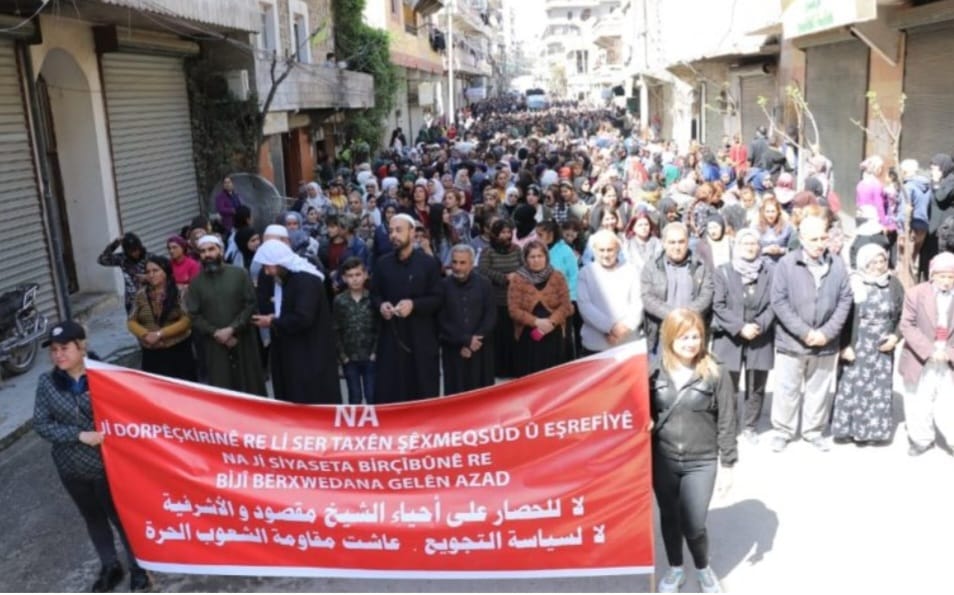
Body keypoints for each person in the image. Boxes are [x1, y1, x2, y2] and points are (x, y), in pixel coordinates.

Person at [33, 321, 153, 592]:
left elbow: (130, 413)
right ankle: (110, 566)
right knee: (93, 518)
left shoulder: (106, 376)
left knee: (120, 517)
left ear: (81, 347)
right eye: (53, 350)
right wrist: (78, 435)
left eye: (64, 348)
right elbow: (41, 423)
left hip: (108, 467)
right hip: (71, 468)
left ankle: (138, 567)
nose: (58, 355)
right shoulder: (47, 383)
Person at [650, 308, 736, 594]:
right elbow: (639, 411)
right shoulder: (652, 371)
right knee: (669, 517)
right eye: (684, 337)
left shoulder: (716, 371)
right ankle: (675, 568)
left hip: (702, 461)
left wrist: (729, 465)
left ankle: (702, 568)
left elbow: (727, 420)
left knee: (694, 523)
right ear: (670, 338)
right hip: (663, 460)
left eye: (696, 336)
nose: (691, 343)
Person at [769, 214, 853, 452]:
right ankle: (783, 430)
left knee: (818, 389)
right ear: (802, 239)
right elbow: (779, 301)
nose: (819, 243)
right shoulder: (787, 264)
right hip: (793, 341)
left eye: (823, 237)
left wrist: (827, 332)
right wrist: (805, 333)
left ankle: (813, 430)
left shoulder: (837, 263)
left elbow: (845, 299)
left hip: (825, 342)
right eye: (813, 239)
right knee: (787, 389)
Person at [251, 240, 341, 404]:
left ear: (280, 262)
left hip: (310, 356)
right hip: (300, 353)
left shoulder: (305, 281)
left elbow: (303, 318)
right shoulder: (291, 279)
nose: (267, 272)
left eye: (268, 266)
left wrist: (273, 322)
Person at [832, 244, 903, 445]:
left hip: (882, 344)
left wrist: (895, 337)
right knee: (853, 385)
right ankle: (850, 430)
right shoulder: (854, 282)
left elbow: (903, 315)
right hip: (858, 342)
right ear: (864, 262)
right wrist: (845, 345)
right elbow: (843, 317)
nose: (878, 266)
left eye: (882, 261)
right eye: (873, 262)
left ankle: (875, 432)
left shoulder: (893, 283)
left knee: (878, 388)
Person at [711, 229, 775, 443]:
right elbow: (718, 305)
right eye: (745, 243)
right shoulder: (723, 272)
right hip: (730, 336)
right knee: (727, 385)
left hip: (760, 335)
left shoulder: (769, 271)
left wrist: (758, 325)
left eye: (754, 243)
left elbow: (774, 303)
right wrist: (740, 327)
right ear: (736, 246)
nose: (750, 247)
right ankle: (728, 427)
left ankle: (750, 425)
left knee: (756, 384)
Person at [371, 214, 443, 403]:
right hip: (391, 338)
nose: (393, 235)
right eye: (391, 231)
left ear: (412, 232)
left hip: (421, 337)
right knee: (391, 390)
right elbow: (374, 295)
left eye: (399, 230)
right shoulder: (382, 263)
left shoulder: (428, 263)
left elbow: (437, 298)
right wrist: (382, 306)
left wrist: (414, 305)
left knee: (422, 390)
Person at [186, 235, 267, 396]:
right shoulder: (196, 283)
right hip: (215, 344)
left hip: (242, 339)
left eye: (211, 249)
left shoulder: (240, 274)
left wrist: (232, 329)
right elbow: (194, 315)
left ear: (221, 251)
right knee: (223, 391)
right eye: (202, 251)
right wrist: (216, 333)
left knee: (250, 387)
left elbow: (250, 304)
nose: (207, 255)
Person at [899, 252, 954, 456]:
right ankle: (921, 439)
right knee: (918, 398)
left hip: (948, 357)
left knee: (949, 400)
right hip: (919, 355)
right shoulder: (916, 293)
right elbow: (907, 325)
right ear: (932, 275)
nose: (947, 281)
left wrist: (948, 352)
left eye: (951, 277)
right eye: (942, 276)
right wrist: (929, 350)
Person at [641, 222, 714, 356]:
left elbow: (706, 295)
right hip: (662, 332)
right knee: (662, 375)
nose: (677, 247)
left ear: (687, 242)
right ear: (663, 243)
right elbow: (647, 297)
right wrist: (674, 316)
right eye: (672, 242)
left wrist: (685, 317)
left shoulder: (700, 266)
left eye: (681, 242)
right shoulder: (651, 266)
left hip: (692, 334)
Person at [507, 240, 574, 376]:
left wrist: (551, 322)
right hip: (528, 335)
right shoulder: (518, 279)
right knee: (531, 377)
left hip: (553, 332)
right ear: (525, 259)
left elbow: (566, 305)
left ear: (546, 257)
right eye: (532, 257)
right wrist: (536, 322)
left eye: (540, 256)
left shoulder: (557, 276)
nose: (536, 260)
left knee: (553, 376)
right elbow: (513, 309)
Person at [437, 244, 497, 394]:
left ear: (471, 264)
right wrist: (464, 340)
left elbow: (490, 315)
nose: (457, 267)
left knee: (482, 396)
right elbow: (441, 319)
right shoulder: (443, 286)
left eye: (462, 263)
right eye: (455, 262)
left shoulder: (484, 284)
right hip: (453, 350)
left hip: (480, 348)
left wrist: (473, 342)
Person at [127, 255, 196, 381]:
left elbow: (186, 319)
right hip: (152, 353)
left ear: (165, 271)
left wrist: (160, 334)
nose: (151, 275)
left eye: (155, 270)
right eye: (148, 272)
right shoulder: (141, 295)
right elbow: (131, 320)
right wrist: (145, 334)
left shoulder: (179, 292)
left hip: (177, 351)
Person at [576, 230, 643, 354]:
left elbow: (637, 303)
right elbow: (585, 306)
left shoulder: (631, 271)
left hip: (628, 343)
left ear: (617, 249)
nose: (606, 254)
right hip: (596, 344)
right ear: (594, 250)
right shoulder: (585, 273)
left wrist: (624, 329)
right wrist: (610, 327)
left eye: (610, 249)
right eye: (601, 250)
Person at [477, 219, 523, 378]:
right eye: (503, 232)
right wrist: (504, 277)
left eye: (509, 232)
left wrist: (517, 276)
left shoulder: (517, 250)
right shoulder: (488, 251)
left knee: (514, 337)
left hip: (515, 301)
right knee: (498, 338)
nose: (507, 235)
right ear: (495, 234)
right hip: (496, 301)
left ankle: (514, 369)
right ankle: (498, 370)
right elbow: (482, 271)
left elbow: (524, 267)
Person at [334, 257, 378, 405]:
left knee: (372, 395)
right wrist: (343, 356)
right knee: (355, 397)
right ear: (344, 278)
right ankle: (356, 427)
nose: (355, 279)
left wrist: (375, 352)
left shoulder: (373, 298)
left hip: (370, 356)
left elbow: (379, 327)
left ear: (365, 275)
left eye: (358, 275)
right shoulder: (340, 301)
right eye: (350, 276)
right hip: (350, 358)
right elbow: (336, 329)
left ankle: (374, 427)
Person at [98, 232, 149, 314]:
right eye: (131, 251)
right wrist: (116, 243)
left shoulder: (149, 257)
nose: (135, 253)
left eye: (136, 250)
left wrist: (148, 277)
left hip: (149, 299)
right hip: (132, 303)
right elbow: (102, 259)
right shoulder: (123, 259)